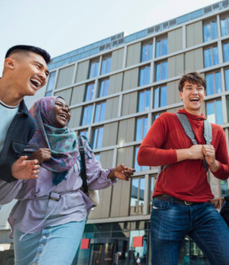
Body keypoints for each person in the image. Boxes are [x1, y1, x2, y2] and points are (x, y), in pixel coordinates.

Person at [0, 96, 135, 265]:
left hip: (70, 211)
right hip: (30, 215)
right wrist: (32, 160)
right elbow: (7, 189)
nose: (65, 110)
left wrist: (113, 173)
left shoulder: (77, 144)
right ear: (44, 110)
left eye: (68, 108)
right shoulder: (22, 144)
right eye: (59, 105)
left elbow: (92, 177)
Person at [137, 72, 229, 265]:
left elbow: (225, 171)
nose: (195, 92)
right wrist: (187, 153)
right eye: (189, 88)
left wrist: (213, 163)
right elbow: (143, 155)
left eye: (199, 88)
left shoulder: (216, 131)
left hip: (204, 209)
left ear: (204, 93)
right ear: (181, 94)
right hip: (168, 207)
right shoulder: (166, 120)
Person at [0, 45, 51, 184]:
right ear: (10, 64)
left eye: (46, 73)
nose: (43, 76)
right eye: (37, 67)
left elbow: (4, 167)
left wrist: (12, 171)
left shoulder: (28, 124)